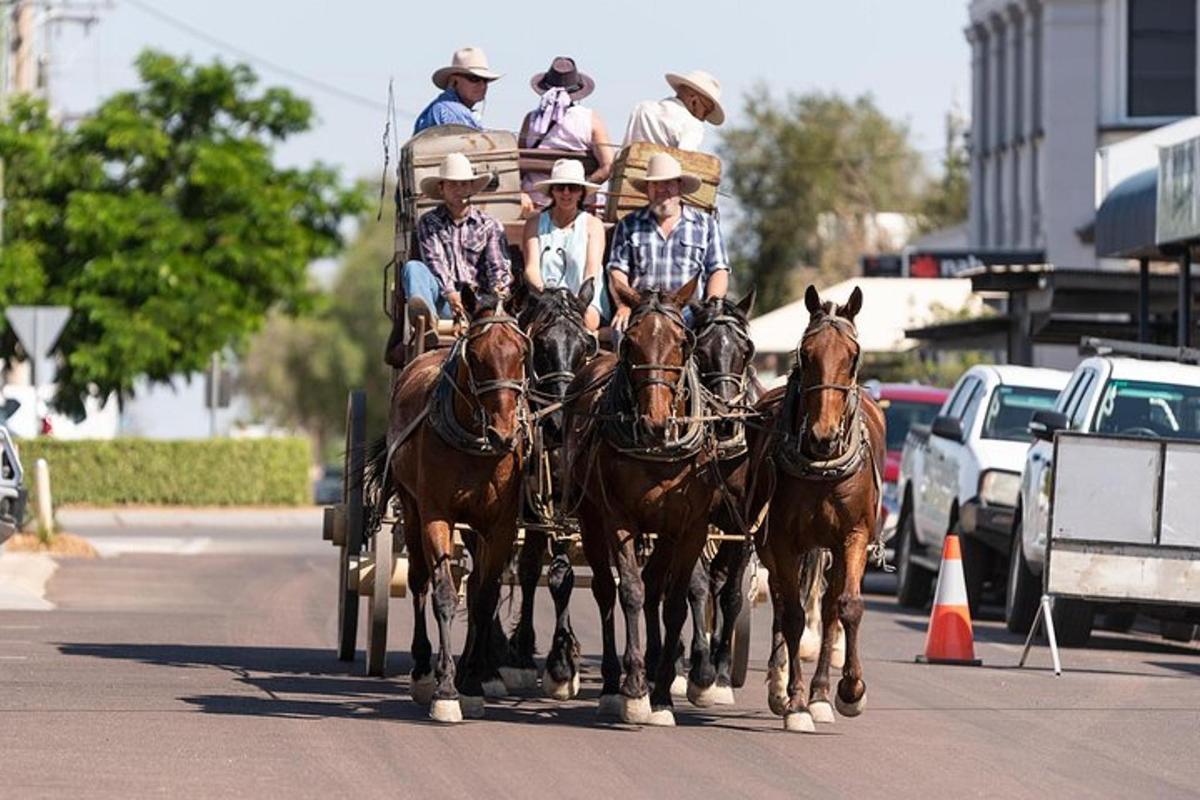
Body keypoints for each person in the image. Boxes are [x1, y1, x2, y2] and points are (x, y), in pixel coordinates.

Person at [384, 152, 511, 367]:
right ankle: (427, 323)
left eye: (464, 184)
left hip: (477, 302)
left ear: (471, 187)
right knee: (414, 268)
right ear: (442, 188)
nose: (459, 190)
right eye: (453, 185)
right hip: (442, 301)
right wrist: (452, 295)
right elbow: (435, 262)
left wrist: (498, 294)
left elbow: (497, 268)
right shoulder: (429, 223)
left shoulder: (490, 225)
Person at [606, 153, 729, 331]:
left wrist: (711, 306)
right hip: (642, 314)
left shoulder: (706, 225)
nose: (662, 189)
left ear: (679, 187)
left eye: (669, 183)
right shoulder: (629, 224)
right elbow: (617, 272)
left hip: (689, 315)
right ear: (647, 189)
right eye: (655, 183)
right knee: (619, 337)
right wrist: (623, 305)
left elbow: (718, 270)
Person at [522, 159, 608, 330]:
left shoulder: (593, 225)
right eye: (560, 187)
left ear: (581, 192)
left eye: (573, 187)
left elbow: (591, 273)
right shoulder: (534, 224)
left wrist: (576, 303)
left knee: (587, 322)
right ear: (552, 191)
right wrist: (547, 296)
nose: (566, 193)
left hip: (583, 300)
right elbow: (531, 269)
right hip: (543, 299)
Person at [518, 57, 613, 210]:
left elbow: (518, 165)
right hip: (579, 205)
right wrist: (580, 189)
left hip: (534, 203)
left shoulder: (530, 120)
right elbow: (608, 166)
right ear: (578, 91)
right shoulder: (591, 119)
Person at [622, 70, 725, 151]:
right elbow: (686, 163)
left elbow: (625, 151)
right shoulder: (692, 125)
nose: (703, 119)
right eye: (706, 111)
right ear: (694, 101)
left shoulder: (642, 108)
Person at [412, 47, 502, 135]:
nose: (482, 86)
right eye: (474, 79)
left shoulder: (440, 107)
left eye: (485, 80)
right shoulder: (451, 111)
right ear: (454, 81)